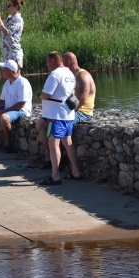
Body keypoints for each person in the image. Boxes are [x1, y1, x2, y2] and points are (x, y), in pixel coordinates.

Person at [38, 51, 81, 185]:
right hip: (68, 114)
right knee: (68, 143)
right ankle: (76, 172)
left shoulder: (55, 74)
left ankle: (55, 175)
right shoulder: (69, 73)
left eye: (47, 61)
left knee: (53, 145)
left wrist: (39, 95)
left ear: (52, 61)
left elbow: (46, 94)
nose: (46, 64)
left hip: (54, 116)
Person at [63, 52, 96, 123]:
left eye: (62, 62)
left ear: (68, 62)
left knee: (61, 124)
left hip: (83, 113)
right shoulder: (71, 75)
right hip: (74, 109)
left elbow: (82, 100)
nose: (61, 65)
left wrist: (68, 113)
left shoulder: (82, 76)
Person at [0, 0, 25, 69]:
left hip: (13, 53)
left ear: (16, 7)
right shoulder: (9, 19)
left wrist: (0, 20)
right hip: (6, 53)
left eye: (9, 5)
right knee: (6, 77)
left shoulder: (18, 20)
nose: (8, 7)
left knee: (14, 77)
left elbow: (7, 32)